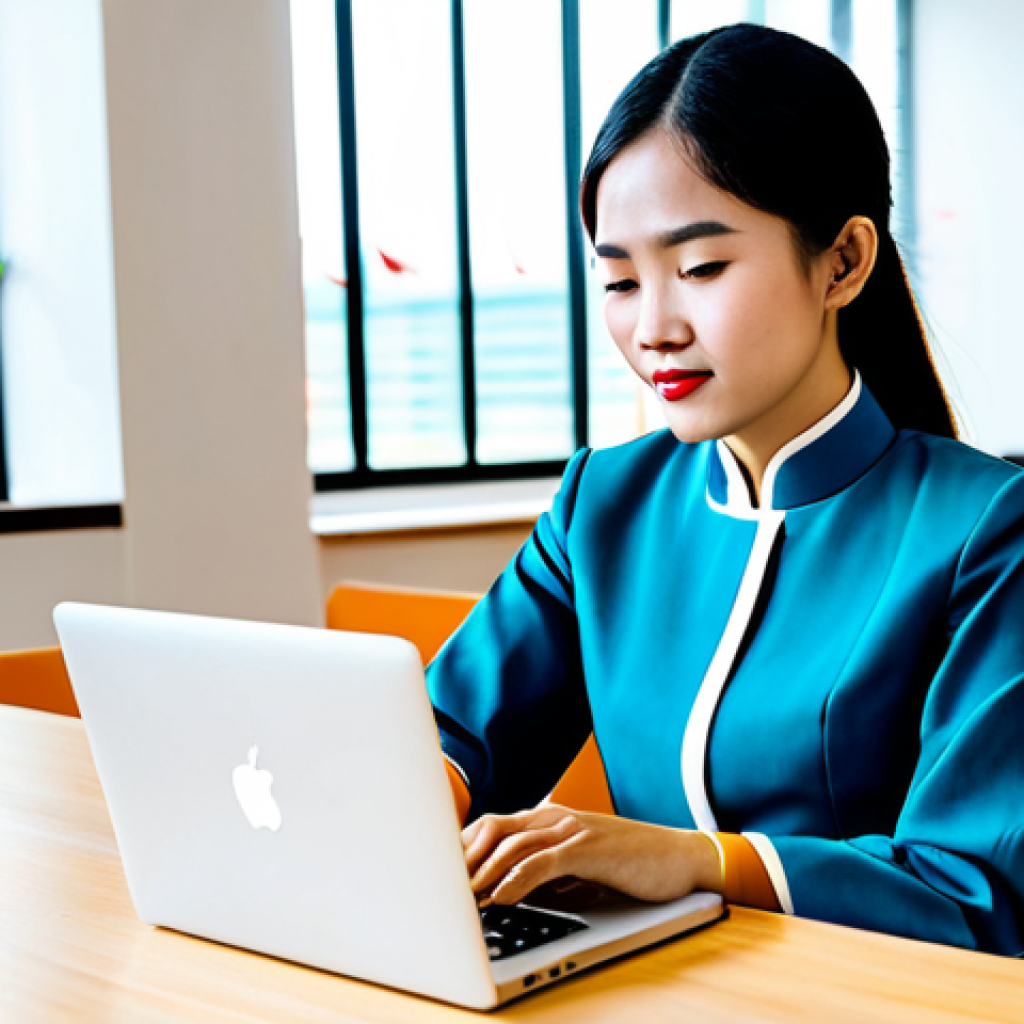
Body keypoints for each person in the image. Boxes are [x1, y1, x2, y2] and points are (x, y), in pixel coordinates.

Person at [426, 22, 1024, 955]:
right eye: (620, 281)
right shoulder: (600, 505)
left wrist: (700, 862)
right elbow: (454, 734)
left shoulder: (986, 530)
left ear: (843, 262)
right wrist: (403, 793)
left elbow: (977, 898)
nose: (654, 327)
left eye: (701, 268)